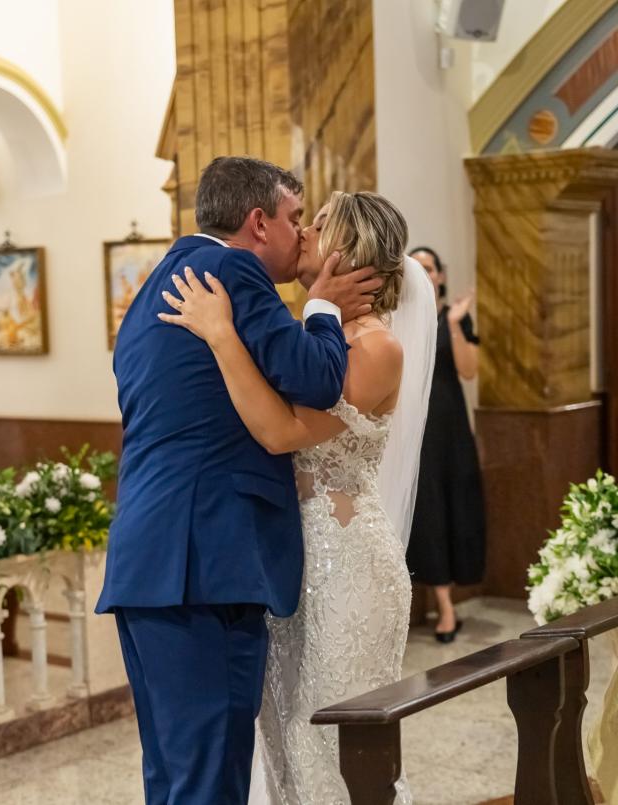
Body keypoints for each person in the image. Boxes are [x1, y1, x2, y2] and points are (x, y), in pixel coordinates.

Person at [95, 157, 384, 803]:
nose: (301, 232)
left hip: (151, 559)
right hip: (205, 564)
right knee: (210, 779)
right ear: (259, 222)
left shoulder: (156, 284)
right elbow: (316, 379)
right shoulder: (231, 271)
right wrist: (320, 308)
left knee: (174, 774)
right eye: (294, 217)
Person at [161, 190, 436, 804]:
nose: (304, 232)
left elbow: (282, 432)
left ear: (350, 252)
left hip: (347, 567)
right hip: (287, 562)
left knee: (334, 751)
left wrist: (220, 333)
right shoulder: (313, 333)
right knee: (286, 745)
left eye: (319, 225)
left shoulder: (377, 347)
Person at [406, 246, 486, 643]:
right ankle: (444, 607)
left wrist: (453, 323)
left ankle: (450, 599)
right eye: (416, 266)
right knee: (427, 512)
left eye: (430, 267)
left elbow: (469, 371)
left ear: (440, 275)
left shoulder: (454, 317)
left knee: (454, 506)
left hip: (450, 428)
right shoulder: (399, 317)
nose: (424, 272)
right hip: (413, 429)